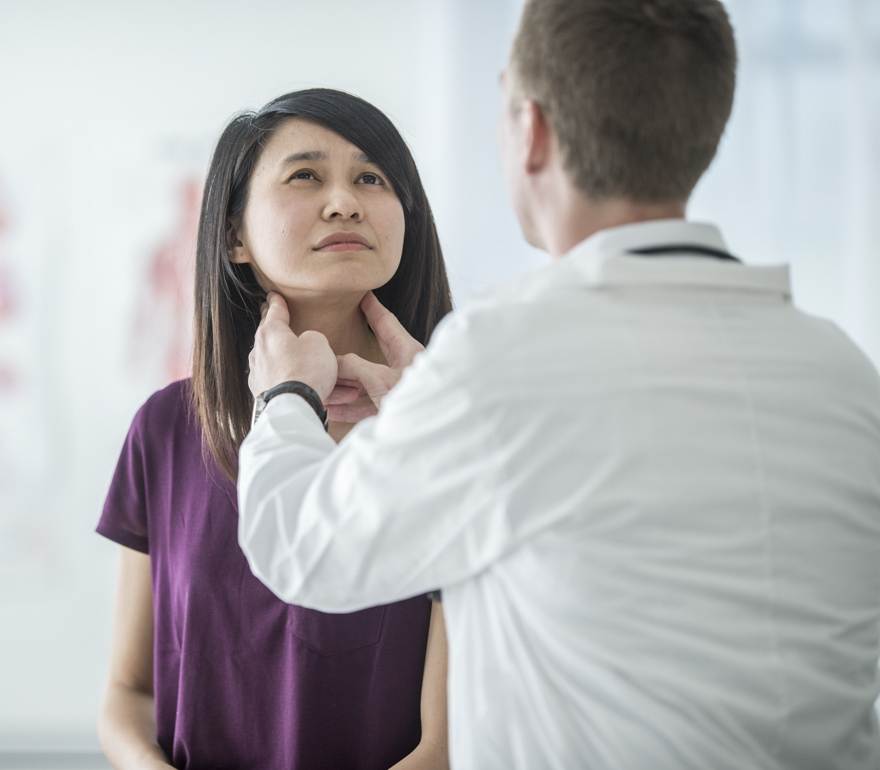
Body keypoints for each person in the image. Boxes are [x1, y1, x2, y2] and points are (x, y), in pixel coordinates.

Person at [237, 2, 880, 769]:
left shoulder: (501, 357)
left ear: (531, 131)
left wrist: (285, 398)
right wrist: (432, 406)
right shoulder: (845, 373)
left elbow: (302, 550)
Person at [96, 89, 454, 770]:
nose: (345, 201)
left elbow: (446, 742)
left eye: (372, 178)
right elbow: (127, 692)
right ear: (234, 236)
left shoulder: (448, 431)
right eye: (305, 176)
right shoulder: (167, 429)